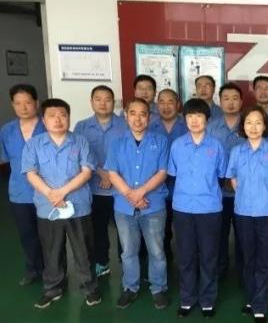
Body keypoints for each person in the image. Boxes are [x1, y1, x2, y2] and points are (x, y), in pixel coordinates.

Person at [22, 98, 100, 308]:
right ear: (43, 120)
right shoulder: (34, 145)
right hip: (48, 208)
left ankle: (90, 288)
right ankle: (53, 288)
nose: (58, 120)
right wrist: (51, 194)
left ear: (69, 117)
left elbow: (87, 171)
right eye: (52, 116)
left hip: (78, 206)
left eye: (63, 115)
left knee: (83, 250)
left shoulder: (80, 141)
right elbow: (31, 173)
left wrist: (62, 192)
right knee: (51, 250)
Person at [105, 98, 169, 310]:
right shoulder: (116, 142)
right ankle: (130, 287)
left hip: (153, 205)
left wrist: (140, 192)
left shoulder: (161, 141)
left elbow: (162, 172)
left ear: (149, 117)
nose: (138, 118)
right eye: (133, 113)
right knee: (128, 251)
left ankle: (158, 288)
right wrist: (130, 195)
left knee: (156, 251)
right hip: (124, 207)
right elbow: (112, 173)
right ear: (126, 116)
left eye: (143, 114)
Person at [226, 105, 268, 323]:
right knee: (247, 259)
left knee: (265, 259)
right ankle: (252, 298)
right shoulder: (236, 151)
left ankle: (260, 303)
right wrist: (245, 194)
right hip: (243, 212)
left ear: (265, 126)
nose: (253, 127)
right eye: (249, 123)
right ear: (243, 126)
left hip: (266, 213)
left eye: (258, 122)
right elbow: (233, 179)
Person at [168, 98, 226, 318]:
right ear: (184, 119)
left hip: (209, 209)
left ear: (207, 119)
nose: (194, 120)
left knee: (209, 256)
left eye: (199, 116)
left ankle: (207, 300)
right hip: (183, 208)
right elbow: (172, 175)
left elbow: (221, 177)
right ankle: (187, 298)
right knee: (186, 255)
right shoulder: (177, 145)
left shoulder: (216, 146)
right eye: (190, 116)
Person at [74, 85, 127, 278]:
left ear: (114, 102)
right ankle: (102, 263)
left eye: (107, 99)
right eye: (98, 99)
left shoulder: (125, 125)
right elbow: (78, 155)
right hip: (94, 189)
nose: (103, 103)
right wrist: (100, 172)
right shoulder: (81, 127)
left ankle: (126, 263)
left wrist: (111, 175)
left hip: (121, 189)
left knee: (125, 230)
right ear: (91, 102)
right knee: (98, 230)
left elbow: (130, 154)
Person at [0, 84, 45, 285]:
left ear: (36, 103)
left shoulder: (48, 126)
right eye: (18, 103)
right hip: (19, 192)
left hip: (48, 192)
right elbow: (4, 159)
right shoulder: (7, 131)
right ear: (12, 105)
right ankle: (33, 270)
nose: (23, 107)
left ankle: (55, 271)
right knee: (27, 234)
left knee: (50, 236)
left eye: (27, 102)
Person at [206, 82, 245, 279]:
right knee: (218, 236)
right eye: (226, 99)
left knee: (244, 237)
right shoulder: (210, 128)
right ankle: (220, 270)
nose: (230, 103)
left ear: (242, 101)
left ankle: (243, 272)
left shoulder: (249, 125)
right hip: (218, 193)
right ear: (220, 102)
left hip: (244, 194)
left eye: (235, 98)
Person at [149, 88, 188, 259]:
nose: (166, 106)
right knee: (159, 229)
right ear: (157, 105)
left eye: (170, 102)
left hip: (182, 188)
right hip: (156, 188)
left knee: (183, 229)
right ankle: (163, 256)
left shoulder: (188, 125)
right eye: (162, 102)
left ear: (178, 105)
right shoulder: (149, 127)